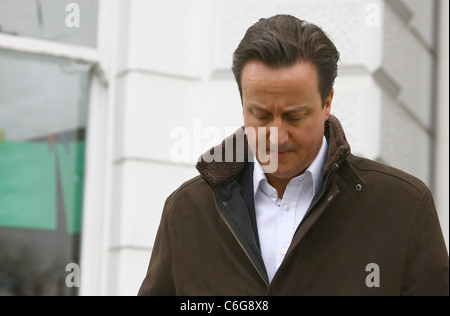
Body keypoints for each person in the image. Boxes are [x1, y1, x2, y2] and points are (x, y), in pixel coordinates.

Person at [138, 14, 449, 296]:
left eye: (294, 116)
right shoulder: (187, 211)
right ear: (242, 103)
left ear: (327, 102)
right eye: (260, 115)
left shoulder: (404, 207)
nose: (276, 136)